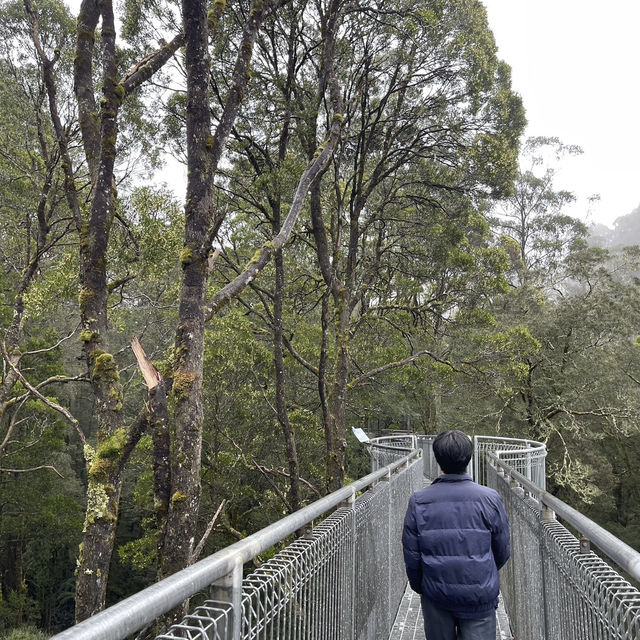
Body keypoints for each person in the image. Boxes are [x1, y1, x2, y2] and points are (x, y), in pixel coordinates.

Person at [402, 430, 510, 640]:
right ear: (469, 458)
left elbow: (412, 556)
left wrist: (423, 588)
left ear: (437, 459)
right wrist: (481, 571)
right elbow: (502, 549)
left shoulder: (419, 501)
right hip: (479, 596)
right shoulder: (490, 499)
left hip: (436, 595)